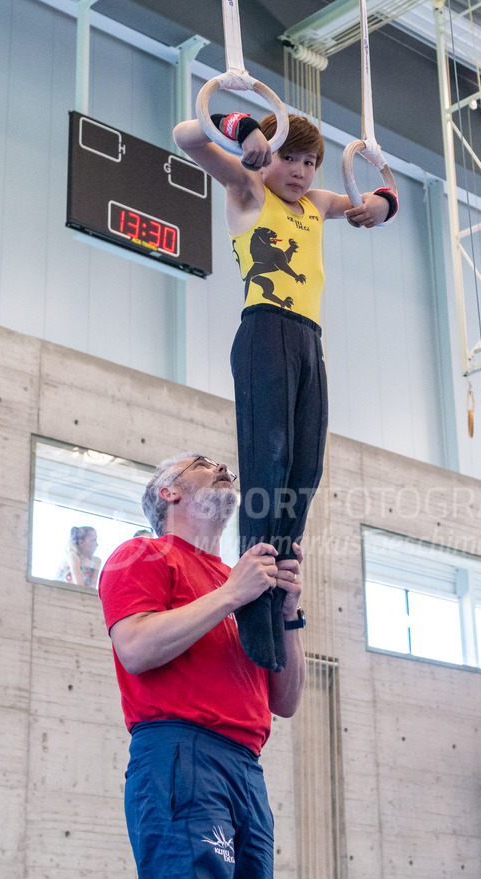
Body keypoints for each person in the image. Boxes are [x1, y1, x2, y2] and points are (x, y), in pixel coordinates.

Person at [172, 111, 397, 674]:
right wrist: (244, 132)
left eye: (309, 162)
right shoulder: (247, 188)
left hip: (308, 343)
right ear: (267, 154)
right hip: (264, 331)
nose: (298, 171)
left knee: (305, 470)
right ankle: (251, 599)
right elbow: (186, 135)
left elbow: (377, 198)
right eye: (288, 157)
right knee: (268, 464)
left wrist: (380, 206)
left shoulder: (317, 205)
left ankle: (277, 592)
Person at [98, 452, 306, 879]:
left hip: (245, 769)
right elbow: (136, 648)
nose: (223, 467)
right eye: (200, 463)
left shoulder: (242, 584)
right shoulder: (142, 555)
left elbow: (285, 701)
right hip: (181, 753)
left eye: (223, 464)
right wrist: (231, 596)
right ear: (167, 493)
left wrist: (286, 612)